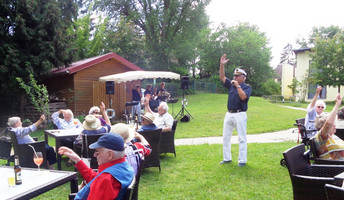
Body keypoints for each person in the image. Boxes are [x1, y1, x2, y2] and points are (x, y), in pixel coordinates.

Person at [58, 133, 134, 200]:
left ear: (110, 155)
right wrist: (77, 159)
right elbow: (96, 178)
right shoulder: (124, 167)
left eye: (97, 152)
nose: (94, 155)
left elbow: (101, 180)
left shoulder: (106, 179)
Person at [219, 54, 251, 167]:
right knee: (226, 137)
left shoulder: (246, 87)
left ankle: (242, 160)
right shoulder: (231, 85)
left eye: (238, 76)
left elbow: (243, 97)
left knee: (241, 138)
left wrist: (238, 86)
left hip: (240, 114)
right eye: (234, 76)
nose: (235, 78)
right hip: (229, 113)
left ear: (243, 77)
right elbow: (222, 77)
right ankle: (227, 158)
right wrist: (222, 65)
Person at [314, 94, 344, 160]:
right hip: (336, 167)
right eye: (332, 124)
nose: (334, 125)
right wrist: (337, 105)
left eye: (334, 123)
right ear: (323, 127)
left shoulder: (332, 136)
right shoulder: (321, 138)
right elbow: (328, 123)